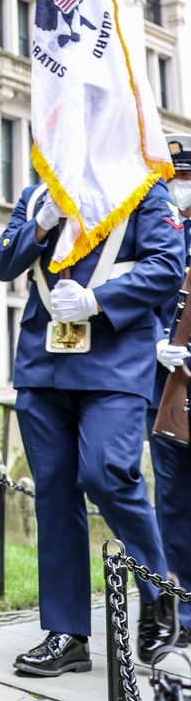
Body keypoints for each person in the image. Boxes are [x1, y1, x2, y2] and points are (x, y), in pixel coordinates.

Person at [0, 176, 183, 677]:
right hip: (43, 359)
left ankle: (160, 598)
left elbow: (166, 267)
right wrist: (42, 223)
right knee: (53, 493)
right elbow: (1, 262)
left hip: (115, 359)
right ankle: (67, 633)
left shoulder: (143, 190)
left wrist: (99, 301)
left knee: (107, 474)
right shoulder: (37, 195)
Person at [150, 137, 191, 646]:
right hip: (165, 391)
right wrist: (156, 346)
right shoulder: (154, 225)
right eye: (173, 179)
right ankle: (182, 612)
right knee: (174, 502)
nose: (179, 188)